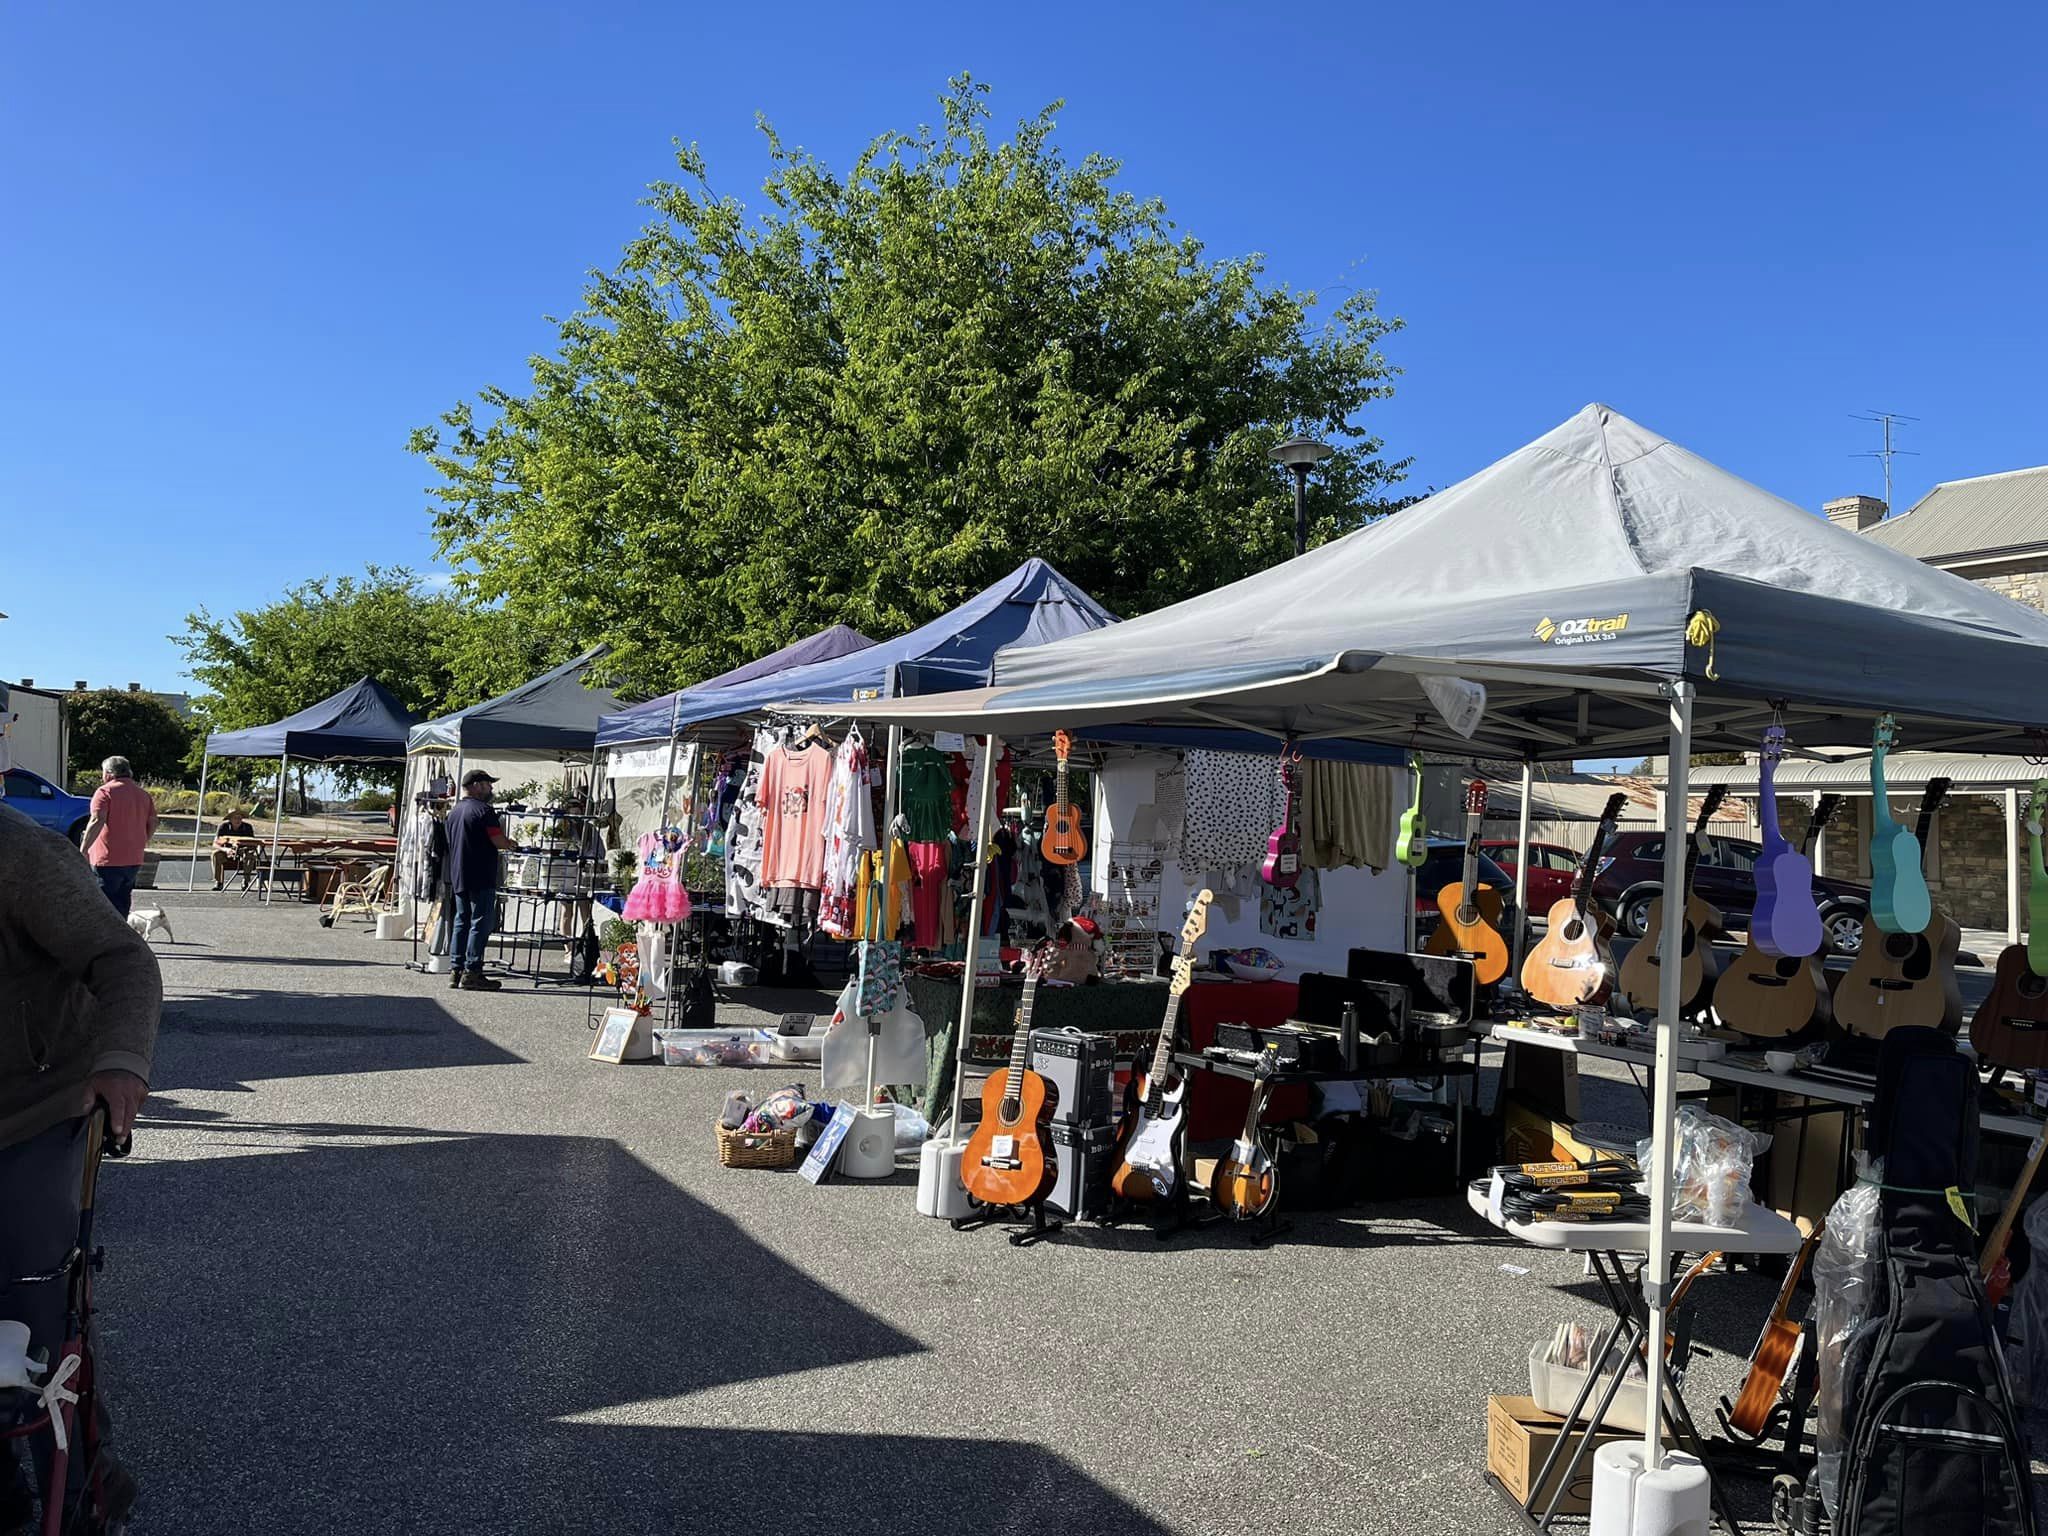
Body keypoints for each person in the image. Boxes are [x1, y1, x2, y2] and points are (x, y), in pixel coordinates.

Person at [0, 799, 159, 1530]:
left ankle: (84, 1482)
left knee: (37, 1319)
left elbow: (123, 959)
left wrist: (121, 1057)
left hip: (32, 1110)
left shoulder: (20, 853)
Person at [445, 769, 518, 991]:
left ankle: (455, 970)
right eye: (488, 784)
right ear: (477, 785)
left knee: (461, 920)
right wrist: (511, 844)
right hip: (481, 874)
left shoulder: (454, 811)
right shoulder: (484, 811)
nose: (491, 788)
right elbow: (497, 840)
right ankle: (473, 971)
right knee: (480, 922)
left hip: (459, 873)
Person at [76, 756, 158, 917]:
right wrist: (143, 840)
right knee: (123, 900)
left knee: (104, 904)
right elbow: (153, 822)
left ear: (108, 773)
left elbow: (97, 821)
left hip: (107, 858)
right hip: (133, 858)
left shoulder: (105, 792)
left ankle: (104, 932)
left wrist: (83, 849)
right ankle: (121, 929)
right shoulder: (143, 794)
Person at [209, 805, 258, 890]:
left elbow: (253, 843)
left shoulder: (247, 827)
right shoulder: (223, 827)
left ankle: (245, 881)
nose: (238, 820)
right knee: (215, 854)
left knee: (251, 854)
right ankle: (218, 882)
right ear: (230, 819)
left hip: (244, 850)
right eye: (235, 818)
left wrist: (244, 848)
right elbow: (215, 844)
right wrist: (226, 849)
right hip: (227, 851)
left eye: (239, 818)